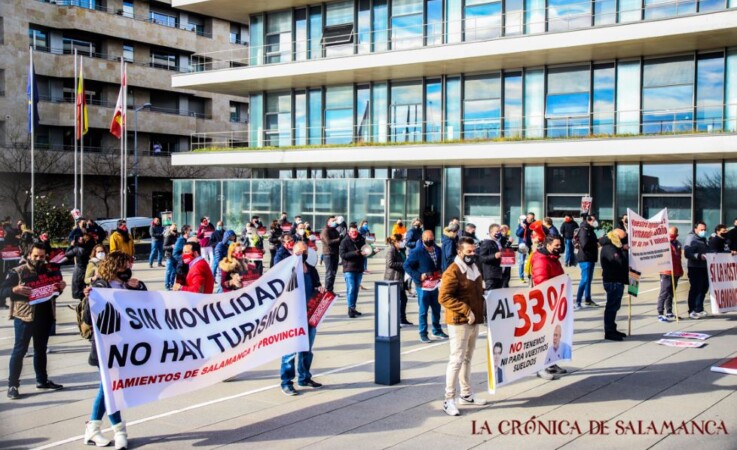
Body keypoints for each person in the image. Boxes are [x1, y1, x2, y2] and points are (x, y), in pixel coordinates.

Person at [82, 251, 143, 448]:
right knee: (111, 388)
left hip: (126, 346)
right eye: (124, 265)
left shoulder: (129, 284)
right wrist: (90, 299)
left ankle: (93, 429)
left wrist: (139, 288)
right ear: (114, 266)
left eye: (129, 265)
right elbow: (87, 317)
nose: (128, 269)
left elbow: (148, 307)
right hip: (106, 347)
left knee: (110, 388)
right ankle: (119, 431)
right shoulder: (101, 286)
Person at [4, 243, 67, 400]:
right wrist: (13, 290)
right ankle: (12, 385)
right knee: (20, 350)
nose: (39, 259)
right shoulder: (17, 271)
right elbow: (2, 291)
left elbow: (53, 293)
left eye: (42, 256)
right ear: (28, 255)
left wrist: (60, 288)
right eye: (35, 256)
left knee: (41, 349)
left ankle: (42, 380)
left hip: (44, 316)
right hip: (24, 317)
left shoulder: (50, 271)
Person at [439, 236, 487, 416]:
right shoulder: (453, 270)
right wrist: (466, 310)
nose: (472, 254)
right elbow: (444, 297)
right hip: (459, 321)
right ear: (459, 252)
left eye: (474, 250)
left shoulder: (474, 267)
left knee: (467, 358)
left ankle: (466, 394)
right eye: (469, 251)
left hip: (473, 320)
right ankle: (448, 399)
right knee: (457, 359)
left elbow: (476, 292)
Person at [280, 241, 325, 395]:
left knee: (307, 349)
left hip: (309, 315)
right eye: (299, 252)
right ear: (293, 253)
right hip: (292, 317)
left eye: (305, 252)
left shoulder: (311, 270)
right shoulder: (288, 270)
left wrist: (320, 289)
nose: (302, 255)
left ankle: (304, 377)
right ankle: (286, 382)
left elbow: (317, 286)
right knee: (290, 352)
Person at [530, 234, 566, 378]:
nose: (559, 247)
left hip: (554, 301)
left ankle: (551, 362)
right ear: (548, 245)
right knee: (544, 336)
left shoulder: (552, 258)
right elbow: (542, 283)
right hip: (544, 303)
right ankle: (540, 367)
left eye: (560, 245)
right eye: (556, 245)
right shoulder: (542, 260)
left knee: (553, 335)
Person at [404, 230, 448, 343]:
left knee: (436, 309)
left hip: (435, 284)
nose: (429, 240)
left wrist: (441, 272)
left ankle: (436, 330)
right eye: (427, 238)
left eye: (431, 238)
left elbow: (440, 264)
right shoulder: (417, 251)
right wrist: (419, 276)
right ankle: (423, 333)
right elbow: (406, 266)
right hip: (423, 286)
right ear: (422, 239)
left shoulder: (438, 249)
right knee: (423, 311)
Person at [599, 228, 629, 341]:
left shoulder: (615, 246)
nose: (624, 240)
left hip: (617, 279)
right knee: (611, 307)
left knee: (615, 306)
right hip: (612, 280)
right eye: (623, 238)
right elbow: (619, 262)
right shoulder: (609, 247)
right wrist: (624, 251)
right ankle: (609, 331)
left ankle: (612, 328)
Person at [339, 224, 368, 318]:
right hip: (349, 269)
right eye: (352, 232)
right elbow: (343, 255)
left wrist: (372, 252)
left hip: (359, 268)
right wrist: (356, 253)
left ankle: (353, 308)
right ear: (349, 232)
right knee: (351, 288)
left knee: (355, 289)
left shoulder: (362, 240)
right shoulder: (344, 241)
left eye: (355, 231)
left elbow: (366, 251)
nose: (354, 233)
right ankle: (350, 309)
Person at [385, 234, 412, 326]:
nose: (403, 242)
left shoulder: (401, 250)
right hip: (393, 278)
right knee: (396, 300)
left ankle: (402, 319)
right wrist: (404, 264)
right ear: (396, 242)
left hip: (401, 277)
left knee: (403, 299)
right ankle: (395, 320)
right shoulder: (391, 250)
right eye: (401, 240)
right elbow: (390, 263)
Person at [684, 221, 709, 319]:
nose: (703, 231)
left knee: (703, 288)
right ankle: (692, 310)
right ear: (695, 229)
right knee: (695, 288)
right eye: (701, 229)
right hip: (695, 267)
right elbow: (687, 253)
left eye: (705, 229)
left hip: (703, 267)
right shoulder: (691, 238)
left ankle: (699, 308)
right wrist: (698, 256)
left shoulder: (703, 239)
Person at [657, 226, 683, 322]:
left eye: (674, 234)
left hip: (676, 271)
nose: (672, 236)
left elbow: (679, 258)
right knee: (664, 292)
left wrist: (680, 270)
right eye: (670, 234)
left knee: (671, 293)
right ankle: (660, 313)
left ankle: (669, 311)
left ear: (677, 234)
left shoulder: (678, 244)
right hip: (666, 271)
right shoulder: (663, 243)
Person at [575, 214, 600, 310]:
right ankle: (578, 301)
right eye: (593, 220)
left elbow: (589, 241)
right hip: (585, 258)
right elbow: (584, 244)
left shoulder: (590, 230)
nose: (595, 222)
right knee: (585, 279)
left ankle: (588, 299)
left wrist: (598, 240)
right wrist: (596, 244)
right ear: (588, 220)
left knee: (588, 280)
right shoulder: (584, 230)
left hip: (590, 257)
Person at [65, 230, 95, 300]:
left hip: (79, 271)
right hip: (90, 271)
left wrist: (71, 246)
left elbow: (67, 254)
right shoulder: (93, 249)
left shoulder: (78, 249)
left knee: (81, 292)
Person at [478, 224, 505, 291]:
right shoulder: (486, 242)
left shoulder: (498, 242)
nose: (499, 233)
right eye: (497, 231)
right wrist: (494, 256)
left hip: (499, 273)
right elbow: (481, 258)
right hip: (491, 275)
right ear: (490, 232)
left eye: (499, 231)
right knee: (490, 294)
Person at [320, 216, 341, 293]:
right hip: (328, 254)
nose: (334, 222)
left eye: (335, 220)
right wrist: (339, 239)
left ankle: (330, 290)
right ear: (328, 222)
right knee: (329, 273)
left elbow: (339, 241)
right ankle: (327, 290)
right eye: (333, 220)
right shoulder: (325, 230)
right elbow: (328, 242)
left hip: (335, 253)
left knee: (333, 273)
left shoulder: (335, 230)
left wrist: (341, 239)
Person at [165, 225, 189, 291]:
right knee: (169, 271)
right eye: (173, 229)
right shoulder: (168, 237)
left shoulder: (177, 236)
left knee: (174, 272)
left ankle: (172, 284)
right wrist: (171, 246)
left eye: (175, 228)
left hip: (176, 257)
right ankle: (167, 285)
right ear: (170, 230)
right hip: (170, 255)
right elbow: (164, 247)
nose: (175, 230)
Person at [516, 212, 535, 282]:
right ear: (527, 217)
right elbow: (518, 234)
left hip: (531, 244)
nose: (531, 219)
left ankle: (531, 275)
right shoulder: (522, 223)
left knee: (533, 260)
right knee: (522, 261)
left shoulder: (534, 223)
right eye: (530, 218)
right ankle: (521, 277)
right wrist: (523, 228)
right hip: (523, 245)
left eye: (532, 218)